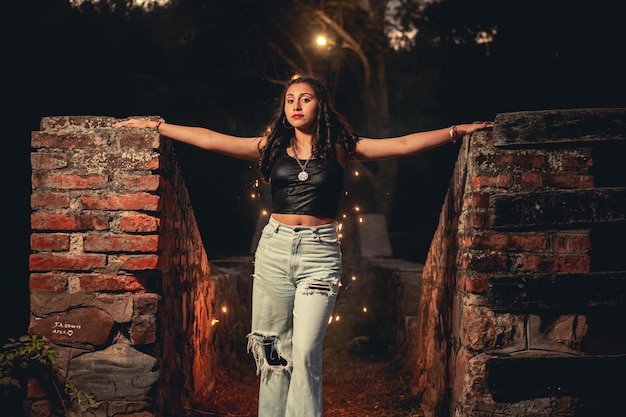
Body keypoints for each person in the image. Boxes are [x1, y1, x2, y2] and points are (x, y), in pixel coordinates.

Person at [113, 75, 492, 417]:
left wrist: (457, 130)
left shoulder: (342, 148)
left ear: (320, 106)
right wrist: (160, 127)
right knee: (274, 352)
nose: (295, 105)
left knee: (306, 350)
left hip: (320, 253)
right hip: (275, 250)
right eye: (290, 99)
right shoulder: (270, 147)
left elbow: (404, 144)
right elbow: (212, 140)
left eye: (305, 98)